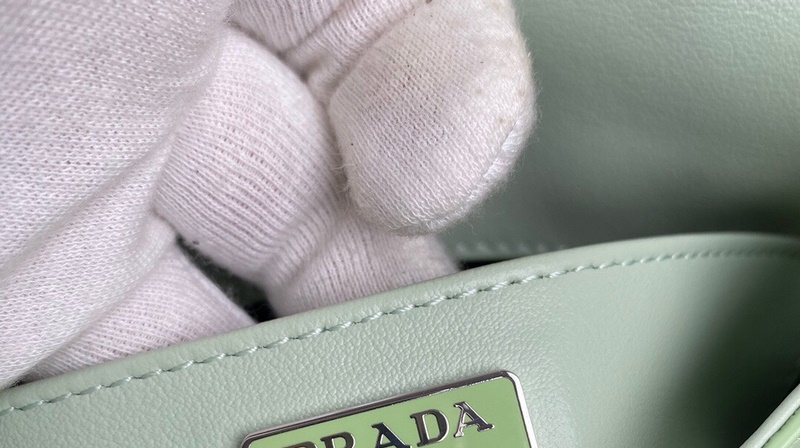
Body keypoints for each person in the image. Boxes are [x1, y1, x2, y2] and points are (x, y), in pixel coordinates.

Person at [1, 0, 534, 387]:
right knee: (207, 428)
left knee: (332, 251)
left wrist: (363, 25)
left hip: (175, 82)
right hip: (39, 267)